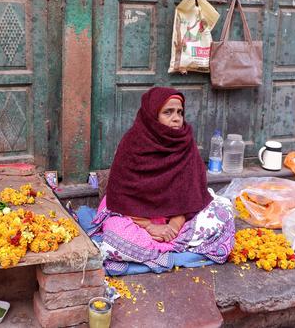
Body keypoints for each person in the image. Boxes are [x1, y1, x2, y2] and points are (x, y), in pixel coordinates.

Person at [88, 87, 234, 273]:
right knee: (115, 236)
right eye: (168, 112)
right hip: (136, 217)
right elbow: (122, 196)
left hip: (178, 218)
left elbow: (191, 193)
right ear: (152, 116)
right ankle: (175, 251)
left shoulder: (185, 142)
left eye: (180, 112)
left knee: (224, 214)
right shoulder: (133, 143)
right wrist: (150, 226)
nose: (176, 118)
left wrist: (174, 223)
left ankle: (156, 252)